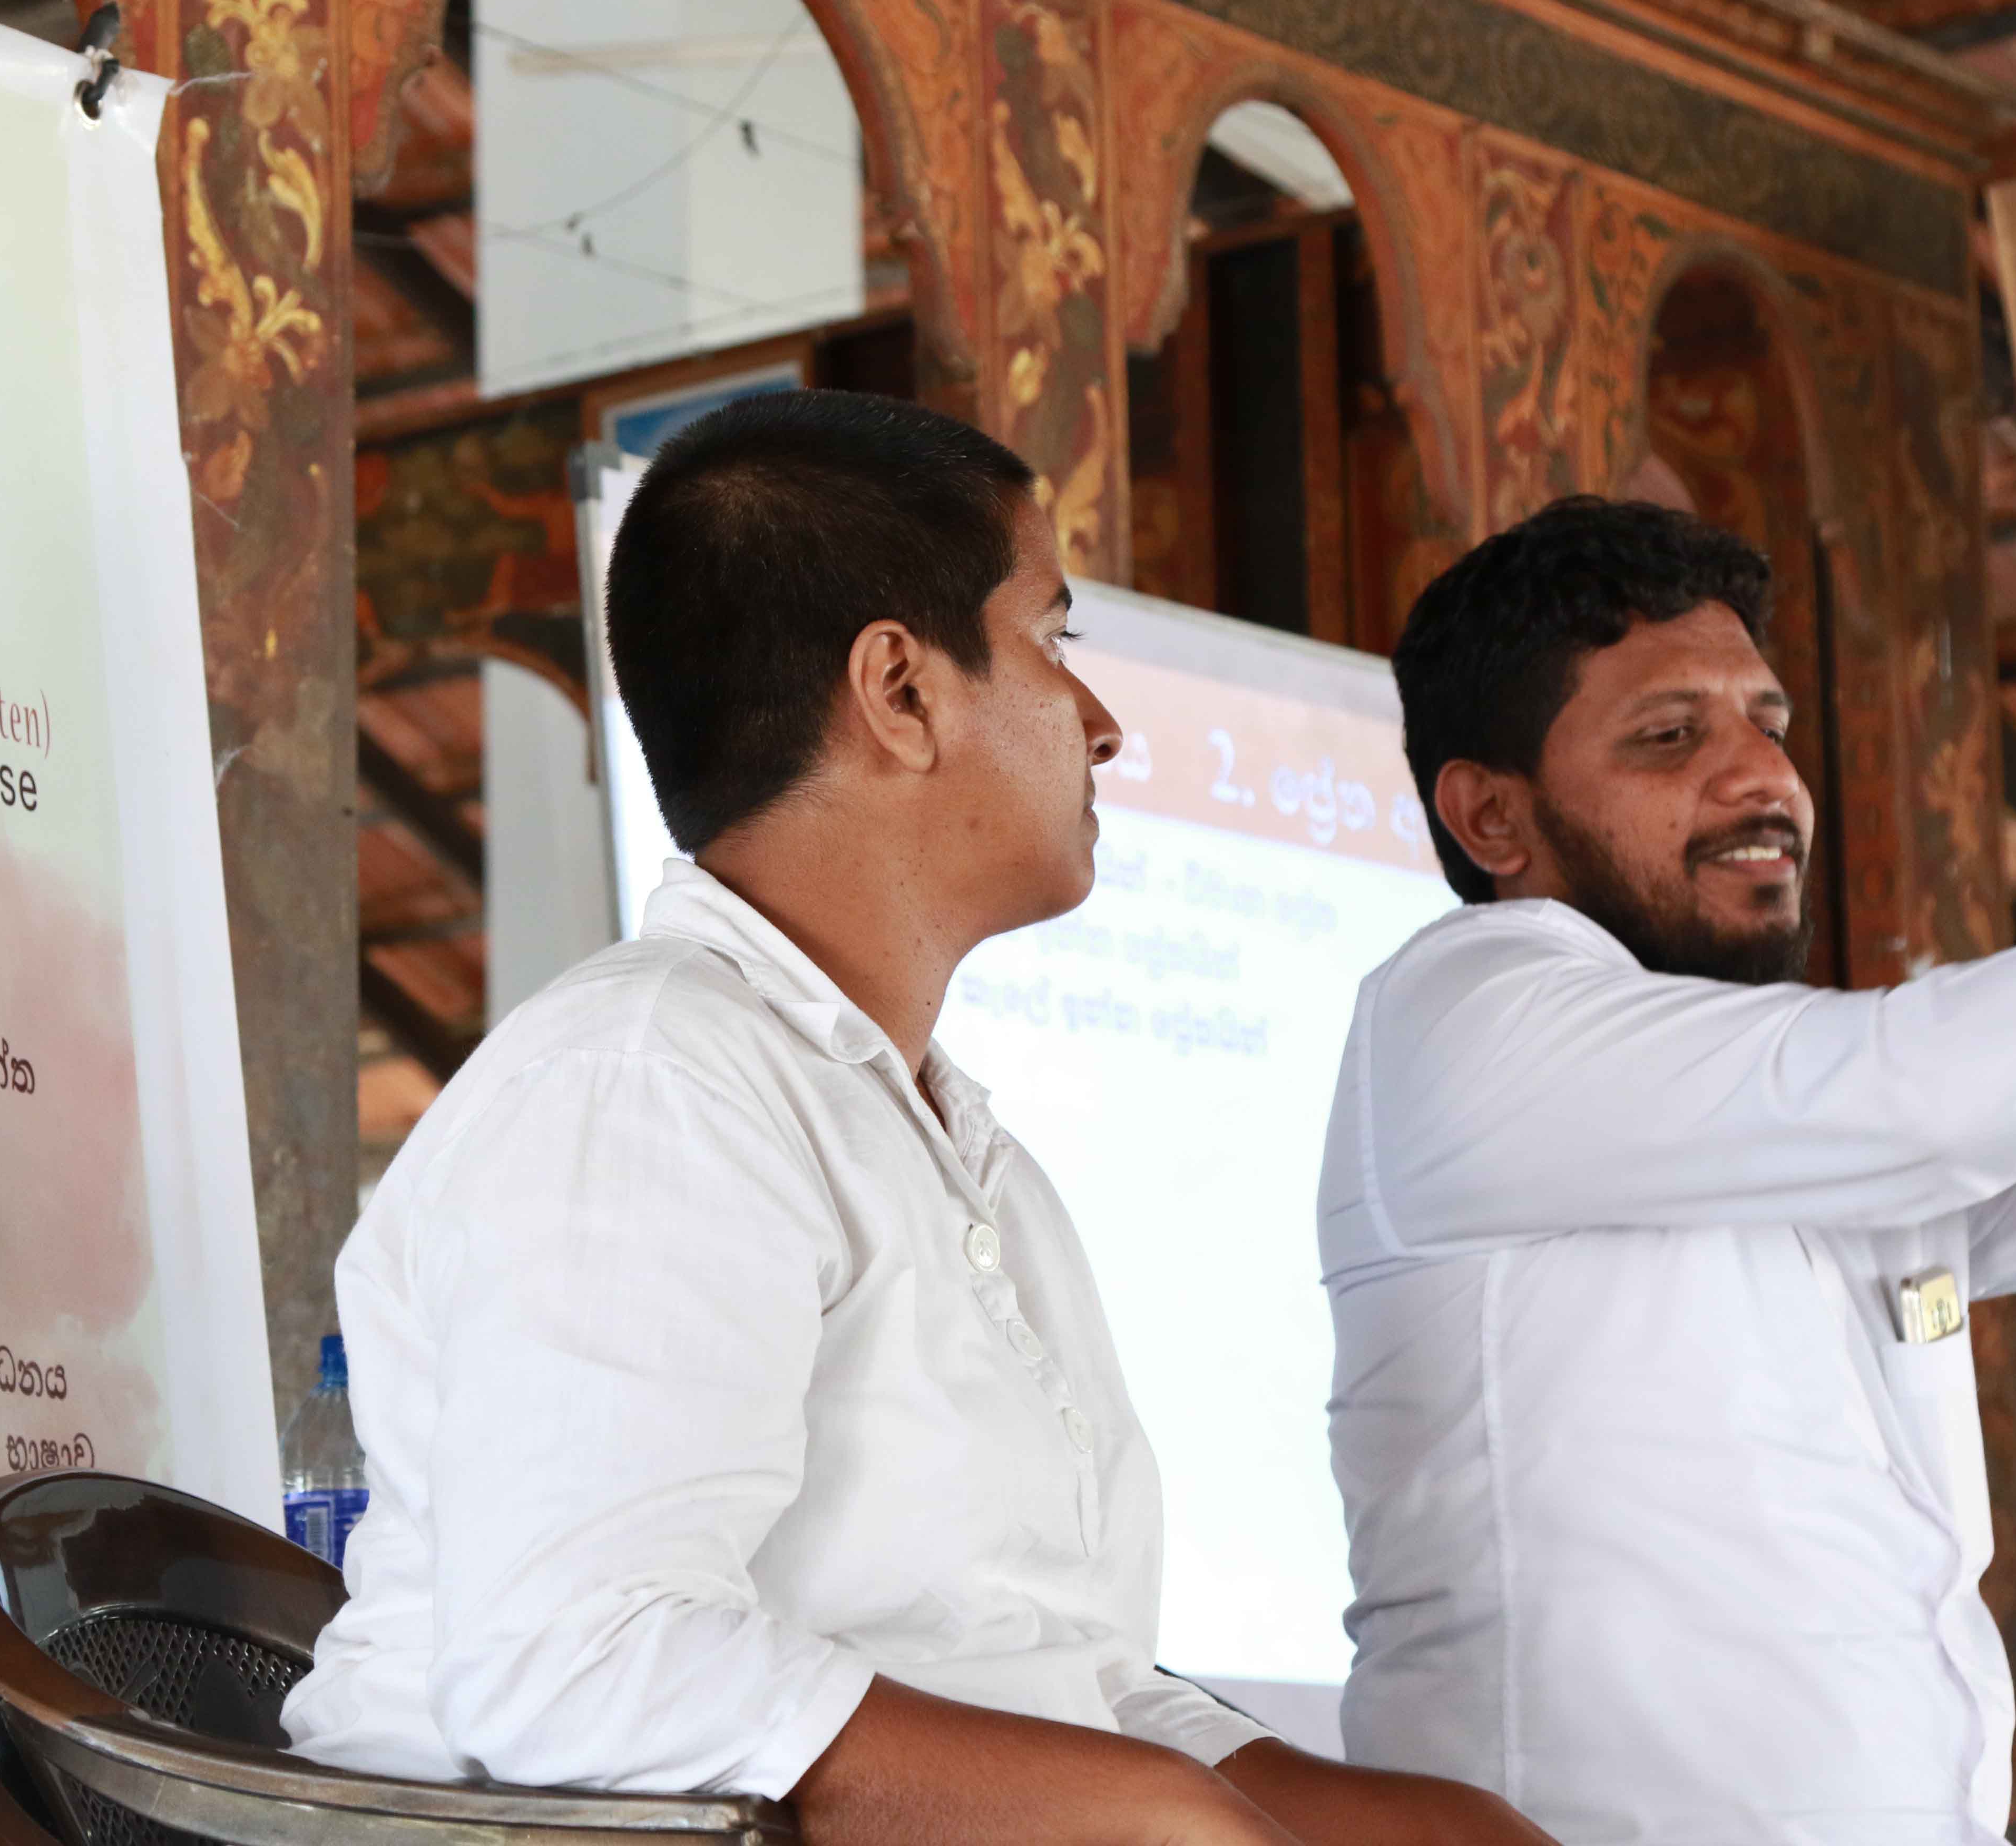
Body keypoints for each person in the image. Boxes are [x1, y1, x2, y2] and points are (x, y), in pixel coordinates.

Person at [282, 389, 1550, 1846]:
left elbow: (1068, 1689)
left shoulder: (961, 1154)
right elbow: (581, 1670)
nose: (1105, 725)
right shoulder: (647, 1079)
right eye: (1055, 643)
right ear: (899, 688)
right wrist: (1160, 1820)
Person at [1324, 494, 2016, 1843]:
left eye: (1771, 725)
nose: (1765, 778)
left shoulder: (1799, 1119)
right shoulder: (1470, 1013)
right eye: (1671, 736)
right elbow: (1928, 1093)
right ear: (1492, 816)